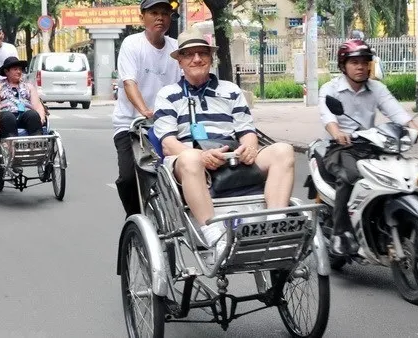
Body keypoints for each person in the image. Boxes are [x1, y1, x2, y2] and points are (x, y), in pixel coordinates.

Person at [153, 28, 296, 263]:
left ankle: (275, 224)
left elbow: (247, 131)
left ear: (211, 57)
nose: (196, 59)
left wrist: (249, 147)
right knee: (190, 160)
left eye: (202, 53)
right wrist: (201, 155)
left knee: (283, 150)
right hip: (188, 159)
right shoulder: (168, 95)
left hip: (233, 157)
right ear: (180, 60)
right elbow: (168, 144)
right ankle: (213, 235)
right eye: (189, 54)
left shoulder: (230, 91)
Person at [319, 39, 418, 256]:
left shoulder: (377, 88)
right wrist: (337, 133)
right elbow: (328, 117)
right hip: (342, 148)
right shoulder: (331, 89)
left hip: (374, 146)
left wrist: (415, 129)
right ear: (343, 65)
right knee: (348, 178)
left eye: (365, 62)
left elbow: (398, 114)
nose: (361, 67)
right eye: (354, 62)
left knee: (410, 177)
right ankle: (340, 233)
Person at [112, 0, 182, 218]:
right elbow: (129, 82)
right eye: (154, 13)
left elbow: (183, 84)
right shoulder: (132, 44)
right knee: (128, 178)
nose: (160, 17)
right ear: (142, 17)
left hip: (166, 124)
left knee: (184, 169)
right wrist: (144, 110)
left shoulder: (175, 47)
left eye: (165, 13)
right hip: (130, 124)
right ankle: (135, 221)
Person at [0, 56, 45, 139]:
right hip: (6, 115)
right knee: (8, 117)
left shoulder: (28, 86)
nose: (19, 72)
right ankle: (10, 146)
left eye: (20, 69)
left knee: (33, 115)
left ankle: (37, 142)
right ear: (6, 71)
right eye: (15, 69)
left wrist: (41, 117)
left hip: (26, 115)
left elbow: (37, 105)